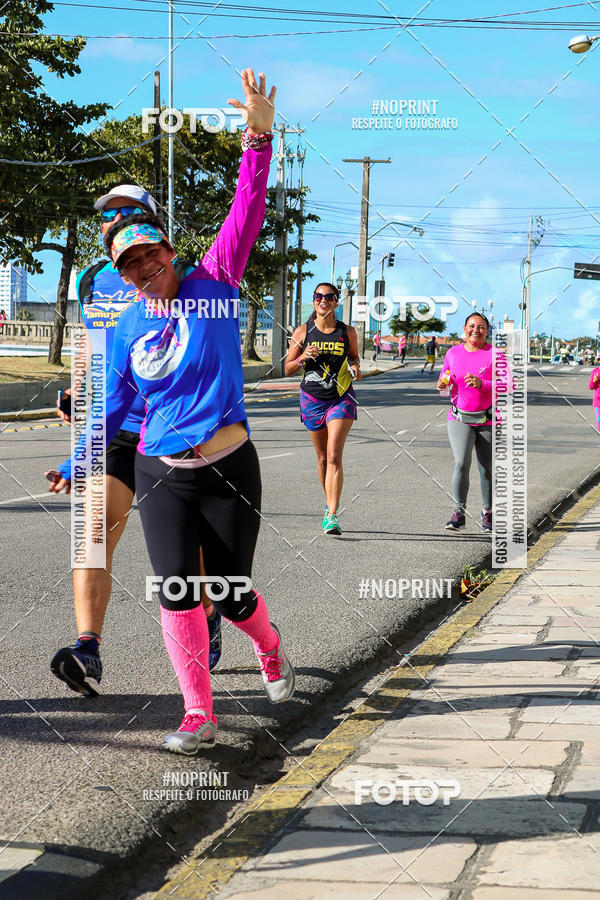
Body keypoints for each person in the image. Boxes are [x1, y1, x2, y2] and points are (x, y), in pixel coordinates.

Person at [48, 69, 295, 755]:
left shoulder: (216, 280)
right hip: (163, 470)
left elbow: (247, 206)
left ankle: (270, 651)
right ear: (119, 274)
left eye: (151, 253)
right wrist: (77, 460)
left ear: (170, 249)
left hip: (229, 464)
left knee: (232, 591)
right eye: (130, 264)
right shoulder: (125, 327)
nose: (144, 268)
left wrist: (258, 132)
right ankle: (197, 713)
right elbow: (115, 406)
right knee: (178, 591)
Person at [48, 187, 222, 698]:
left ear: (152, 224)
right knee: (93, 528)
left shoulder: (180, 274)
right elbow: (91, 344)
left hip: (174, 426)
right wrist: (79, 393)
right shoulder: (93, 281)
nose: (114, 223)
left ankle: (209, 610)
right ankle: (87, 649)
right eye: (106, 217)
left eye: (128, 215)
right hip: (115, 427)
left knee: (191, 556)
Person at [284, 282, 361, 535]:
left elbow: (354, 357)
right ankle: (328, 501)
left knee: (333, 456)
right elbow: (288, 369)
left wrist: (355, 367)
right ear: (314, 301)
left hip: (341, 397)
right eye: (318, 296)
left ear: (336, 302)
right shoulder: (302, 332)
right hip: (312, 400)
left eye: (329, 297)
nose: (323, 300)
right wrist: (303, 357)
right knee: (321, 458)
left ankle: (332, 513)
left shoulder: (347, 332)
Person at [436, 312, 507, 533]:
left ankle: (488, 512)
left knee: (486, 468)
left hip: (488, 418)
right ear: (464, 329)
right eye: (471, 326)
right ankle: (459, 512)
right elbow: (446, 382)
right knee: (461, 463)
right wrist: (443, 385)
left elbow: (508, 386)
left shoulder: (496, 354)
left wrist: (483, 384)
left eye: (481, 327)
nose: (476, 330)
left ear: (487, 331)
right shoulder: (453, 353)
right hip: (459, 417)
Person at [589, 363, 600, 433]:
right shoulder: (595, 371)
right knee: (599, 423)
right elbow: (591, 386)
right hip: (598, 401)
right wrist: (594, 381)